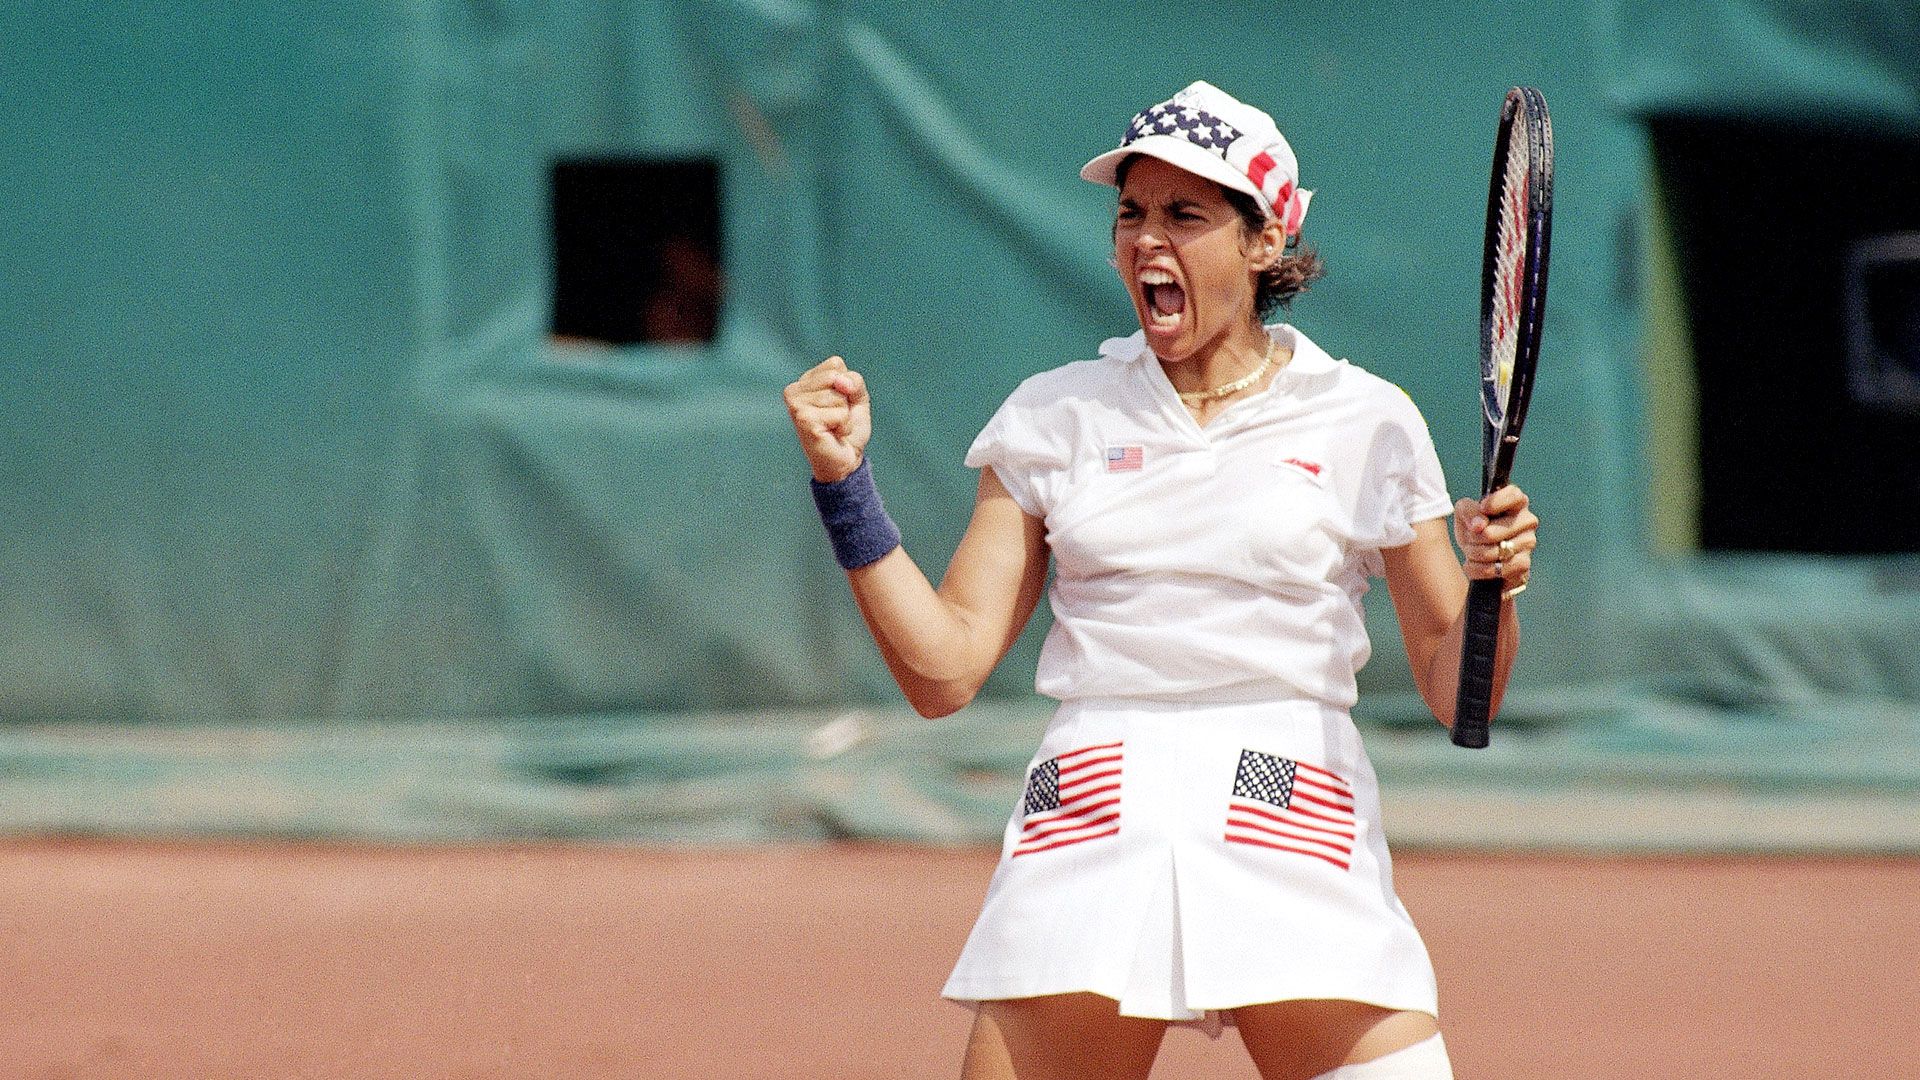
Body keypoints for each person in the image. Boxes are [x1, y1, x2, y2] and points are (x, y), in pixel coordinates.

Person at [783, 81, 1537, 1080]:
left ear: (1265, 243)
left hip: (1291, 801)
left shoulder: (1369, 420)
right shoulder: (1053, 416)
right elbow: (942, 671)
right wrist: (845, 489)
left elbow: (1462, 693)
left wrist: (1498, 588)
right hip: (1098, 800)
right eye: (1131, 214)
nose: (1148, 240)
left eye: (1186, 216)